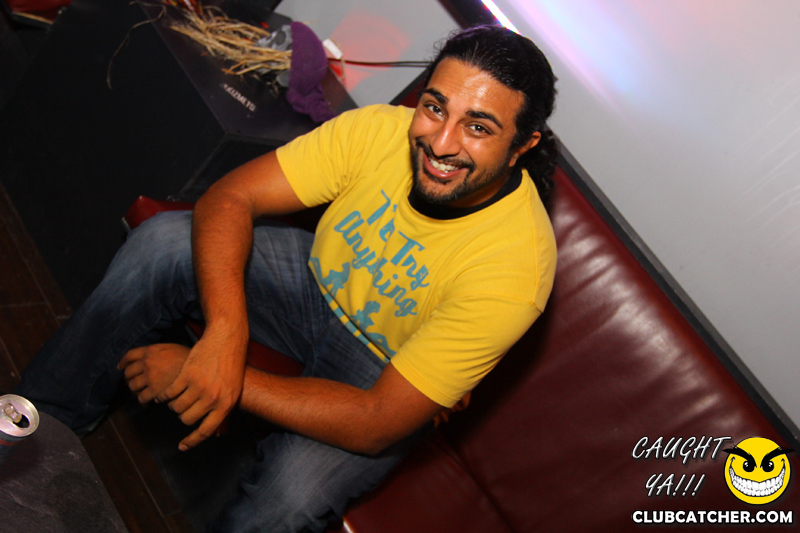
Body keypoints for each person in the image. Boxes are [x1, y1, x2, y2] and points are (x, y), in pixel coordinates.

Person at [16, 24, 558, 532]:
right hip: (310, 286)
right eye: (435, 108)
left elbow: (378, 422)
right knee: (163, 244)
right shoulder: (379, 131)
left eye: (478, 127)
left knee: (290, 496)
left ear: (523, 145)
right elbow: (233, 196)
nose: (440, 142)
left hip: (384, 367)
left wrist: (209, 371)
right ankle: (30, 428)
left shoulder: (516, 269)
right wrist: (226, 333)